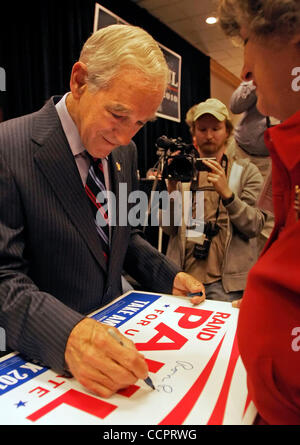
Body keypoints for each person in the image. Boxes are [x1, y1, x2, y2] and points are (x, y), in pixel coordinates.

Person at [0, 24, 205, 399]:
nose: (126, 137)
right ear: (79, 81)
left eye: (141, 123)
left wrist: (166, 275)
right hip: (41, 369)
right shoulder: (8, 148)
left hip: (113, 349)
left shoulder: (122, 152)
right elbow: (3, 279)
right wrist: (67, 335)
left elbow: (122, 233)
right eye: (119, 115)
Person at [218, 0, 300, 424]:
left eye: (247, 42)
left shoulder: (253, 168)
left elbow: (254, 224)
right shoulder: (288, 158)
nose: (245, 70)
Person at [161, 98, 266, 302]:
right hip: (185, 278)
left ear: (226, 131)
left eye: (216, 128)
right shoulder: (182, 171)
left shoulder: (246, 172)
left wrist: (228, 195)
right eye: (202, 129)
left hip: (226, 286)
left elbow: (255, 225)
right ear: (194, 133)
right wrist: (172, 190)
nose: (209, 135)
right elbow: (169, 229)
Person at [230, 81, 276, 251]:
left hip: (270, 160)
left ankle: (258, 268)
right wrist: (258, 81)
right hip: (238, 151)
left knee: (265, 219)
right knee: (230, 202)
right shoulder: (260, 74)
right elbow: (235, 105)